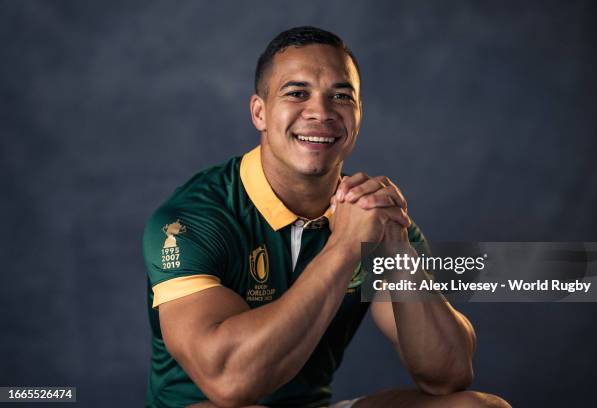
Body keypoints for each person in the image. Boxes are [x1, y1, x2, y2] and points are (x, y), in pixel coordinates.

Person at [143, 26, 511, 408]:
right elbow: (230, 382)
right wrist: (346, 246)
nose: (320, 112)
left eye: (340, 96)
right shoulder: (192, 218)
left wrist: (396, 247)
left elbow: (447, 375)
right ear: (259, 112)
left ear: (358, 115)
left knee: (479, 407)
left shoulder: (369, 213)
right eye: (297, 93)